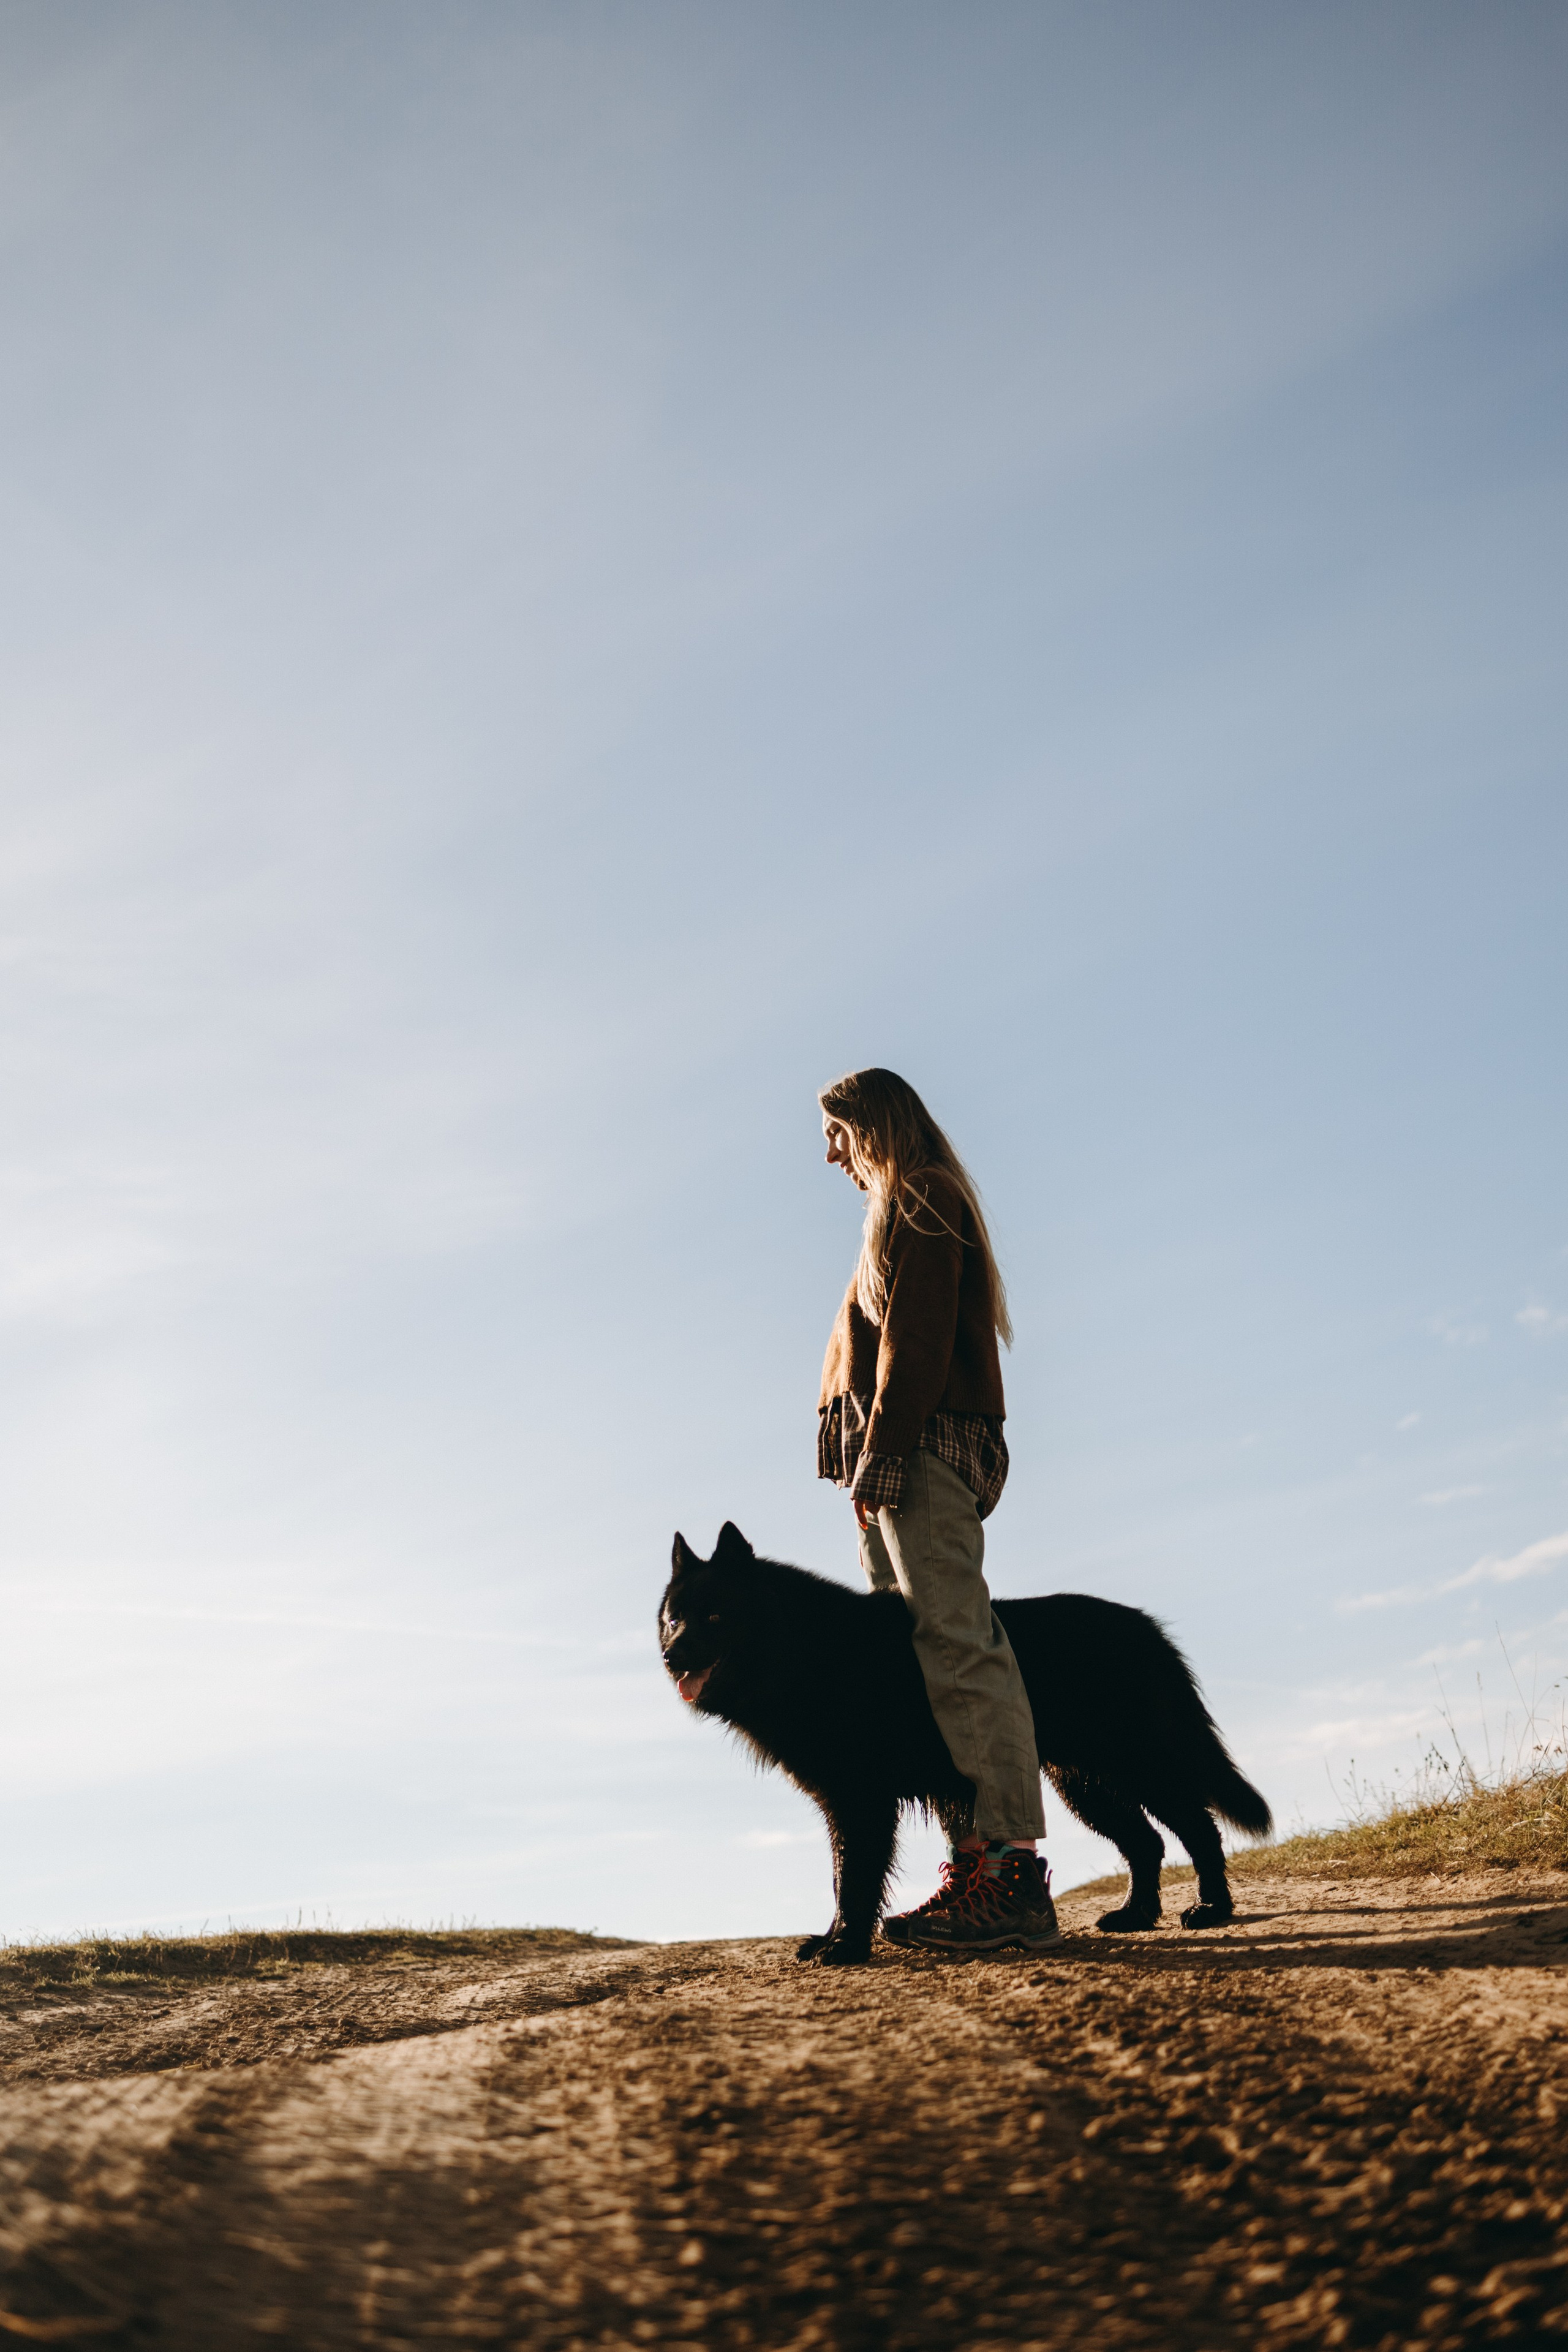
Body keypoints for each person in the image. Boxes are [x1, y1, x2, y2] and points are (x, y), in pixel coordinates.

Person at [816, 1066, 1060, 1951]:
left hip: (917, 1449)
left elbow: (915, 1340)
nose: (829, 1155)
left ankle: (1012, 1875)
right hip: (898, 1455)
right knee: (921, 1662)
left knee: (958, 1644)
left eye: (837, 1134)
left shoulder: (922, 1195)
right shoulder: (906, 1203)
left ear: (873, 1124)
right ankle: (975, 1865)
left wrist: (882, 1451)